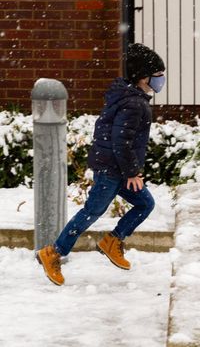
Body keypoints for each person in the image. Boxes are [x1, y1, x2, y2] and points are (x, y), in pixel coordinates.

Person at [36, 43, 166, 285]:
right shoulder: (133, 103)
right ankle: (53, 253)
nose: (161, 79)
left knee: (145, 203)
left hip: (115, 167)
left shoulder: (127, 96)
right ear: (142, 76)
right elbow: (121, 141)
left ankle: (113, 241)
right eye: (157, 75)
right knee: (92, 211)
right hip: (113, 170)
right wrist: (132, 172)